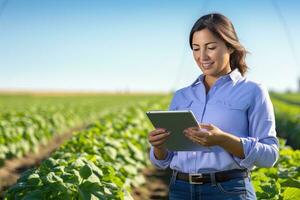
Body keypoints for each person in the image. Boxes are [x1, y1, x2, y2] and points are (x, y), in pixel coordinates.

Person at [148, 13, 279, 200]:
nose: (202, 56)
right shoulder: (182, 95)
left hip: (229, 191)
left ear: (230, 46)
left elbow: (270, 155)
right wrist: (159, 147)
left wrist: (223, 139)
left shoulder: (252, 91)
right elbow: (164, 160)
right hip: (180, 190)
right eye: (195, 48)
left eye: (210, 47)